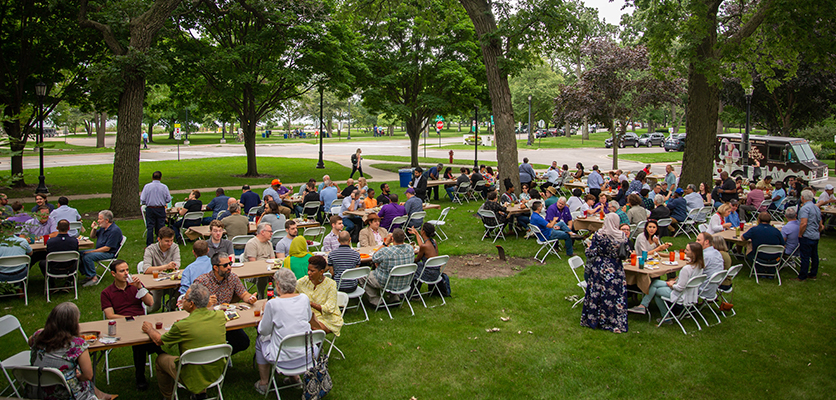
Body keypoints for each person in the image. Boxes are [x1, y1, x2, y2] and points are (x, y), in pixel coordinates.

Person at [142, 283, 227, 400]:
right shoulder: (220, 316)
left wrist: (149, 329)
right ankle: (201, 392)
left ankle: (168, 397)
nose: (183, 301)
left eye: (185, 299)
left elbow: (158, 340)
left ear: (191, 304)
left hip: (191, 374)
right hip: (216, 371)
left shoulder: (182, 326)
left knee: (160, 360)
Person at [28, 302, 117, 400]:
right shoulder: (77, 344)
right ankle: (98, 396)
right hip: (63, 394)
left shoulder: (37, 336)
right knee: (80, 374)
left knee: (74, 369)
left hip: (36, 388)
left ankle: (101, 395)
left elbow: (29, 342)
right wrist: (78, 376)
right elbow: (88, 375)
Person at [253, 268, 319, 395]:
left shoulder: (273, 304)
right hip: (308, 355)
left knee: (260, 340)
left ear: (277, 285)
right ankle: (295, 378)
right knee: (291, 333)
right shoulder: (304, 299)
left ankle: (263, 383)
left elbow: (263, 331)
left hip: (283, 359)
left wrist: (264, 313)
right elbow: (306, 318)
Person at [100, 259, 158, 390]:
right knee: (140, 343)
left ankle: (157, 352)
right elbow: (110, 315)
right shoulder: (107, 293)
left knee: (145, 337)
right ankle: (141, 376)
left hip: (140, 321)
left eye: (127, 270)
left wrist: (140, 288)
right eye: (122, 271)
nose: (126, 273)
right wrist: (130, 318)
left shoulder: (134, 285)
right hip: (122, 323)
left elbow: (150, 302)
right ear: (113, 274)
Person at [193, 252, 257, 355]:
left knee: (244, 342)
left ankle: (222, 356)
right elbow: (192, 304)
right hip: (208, 321)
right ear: (215, 267)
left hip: (228, 318)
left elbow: (243, 293)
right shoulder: (202, 281)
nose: (229, 267)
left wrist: (250, 298)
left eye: (230, 263)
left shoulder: (232, 278)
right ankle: (216, 357)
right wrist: (206, 303)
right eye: (225, 265)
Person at [627, 242, 705, 320]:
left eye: (687, 250)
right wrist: (674, 281)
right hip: (690, 292)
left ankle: (665, 317)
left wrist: (671, 284)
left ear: (693, 253)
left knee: (657, 291)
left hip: (681, 294)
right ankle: (642, 306)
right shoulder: (699, 266)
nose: (685, 251)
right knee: (654, 283)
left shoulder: (687, 269)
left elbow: (680, 288)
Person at [580, 213, 628, 333]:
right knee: (613, 294)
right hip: (615, 267)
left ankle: (594, 317)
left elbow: (591, 252)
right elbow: (625, 253)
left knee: (597, 293)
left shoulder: (599, 235)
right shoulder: (621, 236)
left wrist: (588, 248)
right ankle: (612, 319)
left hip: (599, 266)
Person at [359, 228, 413, 306]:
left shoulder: (387, 251)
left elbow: (374, 257)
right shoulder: (410, 249)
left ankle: (376, 300)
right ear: (404, 238)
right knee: (392, 269)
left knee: (361, 276)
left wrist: (385, 243)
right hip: (404, 281)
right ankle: (394, 297)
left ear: (392, 238)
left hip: (386, 282)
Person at [296, 255, 344, 336]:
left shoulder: (331, 284)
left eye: (312, 271)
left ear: (321, 272)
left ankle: (315, 346)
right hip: (307, 316)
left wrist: (311, 304)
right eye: (308, 270)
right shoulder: (303, 282)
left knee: (308, 328)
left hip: (327, 318)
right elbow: (290, 290)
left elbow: (329, 309)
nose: (308, 273)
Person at [143, 226, 181, 312]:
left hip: (170, 281)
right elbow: (146, 269)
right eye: (167, 241)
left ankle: (170, 305)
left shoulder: (175, 247)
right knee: (155, 306)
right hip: (156, 283)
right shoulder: (150, 249)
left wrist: (173, 266)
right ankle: (143, 312)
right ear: (159, 239)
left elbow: (177, 263)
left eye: (171, 240)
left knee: (182, 290)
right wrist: (165, 267)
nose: (170, 243)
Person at [81, 210, 123, 286]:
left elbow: (107, 248)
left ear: (107, 220)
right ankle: (88, 275)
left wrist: (92, 252)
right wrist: (94, 228)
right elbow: (92, 236)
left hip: (109, 253)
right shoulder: (103, 228)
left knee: (87, 256)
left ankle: (94, 278)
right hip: (100, 251)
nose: (98, 221)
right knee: (80, 254)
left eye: (100, 219)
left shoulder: (114, 230)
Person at [796, 189, 823, 281]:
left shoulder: (804, 208)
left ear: (802, 198)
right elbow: (820, 223)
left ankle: (802, 275)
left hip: (807, 235)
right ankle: (813, 273)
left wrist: (800, 234)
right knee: (814, 255)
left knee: (805, 256)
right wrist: (818, 231)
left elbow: (804, 223)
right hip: (815, 235)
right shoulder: (816, 207)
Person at [140, 171, 171, 246]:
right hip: (160, 208)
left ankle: (149, 244)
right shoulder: (164, 187)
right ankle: (160, 242)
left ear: (152, 177)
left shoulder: (147, 187)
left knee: (150, 227)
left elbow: (143, 199)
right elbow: (168, 199)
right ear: (160, 178)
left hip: (150, 208)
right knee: (160, 226)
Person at [407, 223, 439, 297]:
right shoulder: (433, 242)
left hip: (428, 274)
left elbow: (417, 260)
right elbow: (422, 246)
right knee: (419, 266)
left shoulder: (424, 247)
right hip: (436, 272)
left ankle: (413, 294)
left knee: (413, 267)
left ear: (423, 231)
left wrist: (408, 259)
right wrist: (417, 234)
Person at [245, 222, 275, 297]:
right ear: (262, 232)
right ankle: (260, 297)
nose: (272, 233)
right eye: (270, 231)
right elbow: (253, 264)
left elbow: (273, 260)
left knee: (281, 274)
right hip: (253, 272)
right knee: (263, 276)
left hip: (268, 270)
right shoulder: (252, 244)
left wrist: (272, 271)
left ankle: (279, 296)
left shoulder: (269, 244)